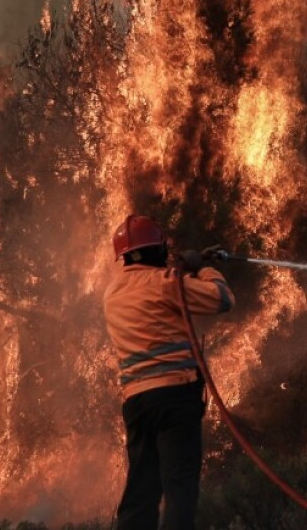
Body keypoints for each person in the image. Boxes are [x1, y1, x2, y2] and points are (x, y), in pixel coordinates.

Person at [103, 215, 235, 530]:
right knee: (180, 487)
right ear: (156, 250)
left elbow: (155, 288)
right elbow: (222, 299)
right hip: (175, 399)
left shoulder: (112, 295)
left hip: (136, 404)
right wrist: (202, 268)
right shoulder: (165, 284)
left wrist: (180, 271)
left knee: (141, 493)